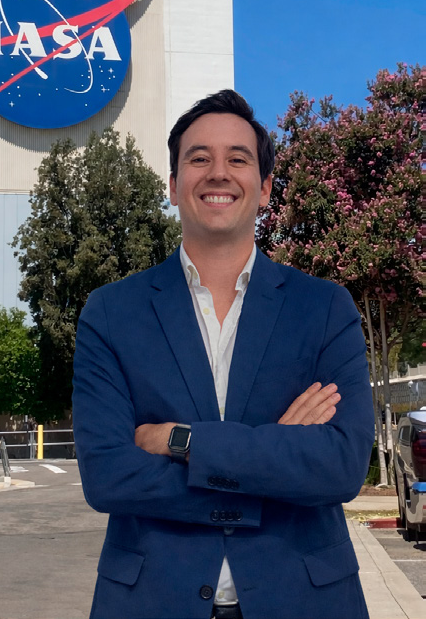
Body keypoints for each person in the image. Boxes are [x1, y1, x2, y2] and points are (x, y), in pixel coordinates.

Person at [73, 89, 375, 619]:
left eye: (238, 159)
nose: (218, 173)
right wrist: (276, 459)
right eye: (199, 158)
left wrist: (181, 441)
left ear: (264, 187)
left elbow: (341, 466)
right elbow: (108, 476)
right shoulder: (111, 312)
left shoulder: (325, 308)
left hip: (305, 600)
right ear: (173, 186)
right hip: (150, 601)